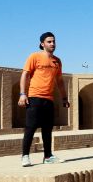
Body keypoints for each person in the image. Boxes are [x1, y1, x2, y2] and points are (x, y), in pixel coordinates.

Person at [18, 32, 69, 166]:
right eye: (49, 42)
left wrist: (64, 97)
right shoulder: (35, 56)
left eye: (53, 41)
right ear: (42, 44)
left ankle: (48, 156)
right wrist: (22, 94)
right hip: (34, 97)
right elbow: (25, 75)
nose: (52, 44)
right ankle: (25, 156)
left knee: (47, 128)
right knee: (31, 127)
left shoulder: (57, 61)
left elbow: (60, 81)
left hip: (49, 98)